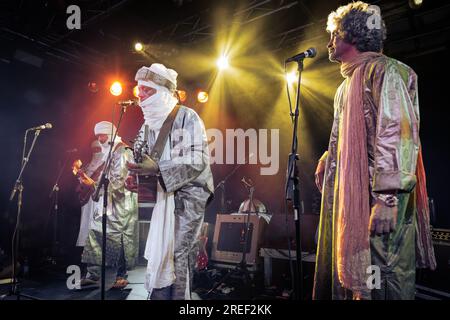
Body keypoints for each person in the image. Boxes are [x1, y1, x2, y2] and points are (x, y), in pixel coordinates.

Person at [313, 1, 436, 300]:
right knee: (360, 280)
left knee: (383, 276)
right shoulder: (347, 85)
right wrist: (328, 158)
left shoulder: (386, 71)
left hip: (378, 202)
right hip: (355, 199)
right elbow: (346, 135)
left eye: (334, 34)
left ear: (351, 34)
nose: (329, 42)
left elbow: (397, 133)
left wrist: (387, 199)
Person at [126, 63, 213, 300]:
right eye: (139, 89)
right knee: (162, 253)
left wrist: (159, 169)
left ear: (162, 91)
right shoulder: (146, 126)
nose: (140, 95)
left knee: (178, 253)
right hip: (162, 196)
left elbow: (198, 160)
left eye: (147, 89)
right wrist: (133, 178)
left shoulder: (188, 117)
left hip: (188, 195)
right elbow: (141, 160)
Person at [80, 121, 139, 289]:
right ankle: (93, 275)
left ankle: (121, 275)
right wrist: (92, 183)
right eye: (98, 136)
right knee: (95, 233)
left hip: (122, 203)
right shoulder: (109, 152)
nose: (100, 138)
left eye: (103, 135)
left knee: (121, 239)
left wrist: (95, 187)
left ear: (111, 134)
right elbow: (105, 179)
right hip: (108, 201)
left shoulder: (122, 150)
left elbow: (119, 180)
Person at [75, 140, 104, 248]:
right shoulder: (87, 166)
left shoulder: (105, 165)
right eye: (94, 150)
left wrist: (85, 178)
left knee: (97, 224)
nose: (96, 152)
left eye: (98, 149)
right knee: (86, 224)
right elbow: (81, 186)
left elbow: (98, 182)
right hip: (87, 201)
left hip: (99, 199)